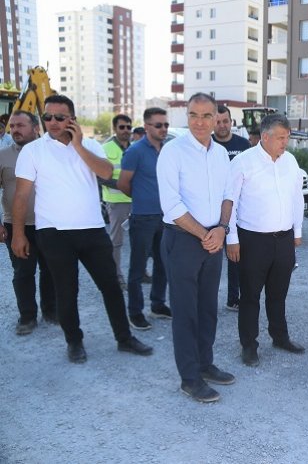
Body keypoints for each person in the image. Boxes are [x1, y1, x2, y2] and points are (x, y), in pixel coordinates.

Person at [12, 94, 152, 363]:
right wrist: (18, 234)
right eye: (48, 117)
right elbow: (20, 196)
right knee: (66, 291)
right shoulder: (33, 151)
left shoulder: (90, 145)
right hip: (53, 232)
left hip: (92, 229)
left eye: (59, 117)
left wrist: (77, 145)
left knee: (111, 286)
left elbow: (106, 172)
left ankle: (124, 338)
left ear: (72, 119)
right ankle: (74, 342)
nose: (53, 122)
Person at [157, 92, 235, 403]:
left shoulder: (220, 154)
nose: (199, 122)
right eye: (193, 115)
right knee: (186, 311)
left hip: (213, 238)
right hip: (184, 240)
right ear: (186, 116)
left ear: (217, 118)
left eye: (206, 116)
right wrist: (206, 234)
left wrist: (222, 229)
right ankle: (189, 378)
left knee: (207, 308)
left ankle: (205, 364)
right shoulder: (172, 152)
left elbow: (228, 195)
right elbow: (171, 204)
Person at [227, 114, 305, 367]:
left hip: (283, 239)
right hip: (252, 241)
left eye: (287, 138)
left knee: (278, 293)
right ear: (265, 137)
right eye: (281, 138)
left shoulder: (290, 161)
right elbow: (230, 202)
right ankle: (249, 345)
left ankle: (280, 337)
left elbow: (297, 198)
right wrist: (231, 238)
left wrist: (297, 232)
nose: (285, 143)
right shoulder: (243, 162)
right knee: (250, 296)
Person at [0, 111, 56, 334]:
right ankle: (27, 316)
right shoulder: (3, 156)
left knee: (50, 270)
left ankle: (51, 311)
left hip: (49, 224)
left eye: (20, 125)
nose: (15, 130)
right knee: (23, 272)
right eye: (12, 126)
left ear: (35, 128)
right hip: (16, 225)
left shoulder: (51, 153)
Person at [117, 107, 172, 331]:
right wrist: (141, 198)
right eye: (158, 125)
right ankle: (135, 312)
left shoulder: (168, 150)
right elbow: (123, 184)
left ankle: (157, 305)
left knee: (163, 263)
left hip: (165, 217)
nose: (163, 129)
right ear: (147, 126)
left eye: (166, 125)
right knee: (138, 268)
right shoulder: (135, 151)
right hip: (142, 218)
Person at [212, 105, 249, 311]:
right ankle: (206, 299)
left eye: (225, 121)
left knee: (236, 255)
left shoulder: (243, 145)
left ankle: (234, 298)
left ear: (231, 122)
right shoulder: (207, 144)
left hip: (238, 210)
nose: (222, 125)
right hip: (211, 210)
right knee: (211, 258)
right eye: (217, 122)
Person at [100, 114, 133, 288]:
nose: (126, 130)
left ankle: (141, 273)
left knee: (139, 241)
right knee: (116, 242)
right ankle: (116, 277)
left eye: (128, 127)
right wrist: (123, 185)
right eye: (122, 127)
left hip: (135, 201)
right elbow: (100, 177)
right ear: (115, 129)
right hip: (116, 202)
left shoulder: (134, 148)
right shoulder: (105, 149)